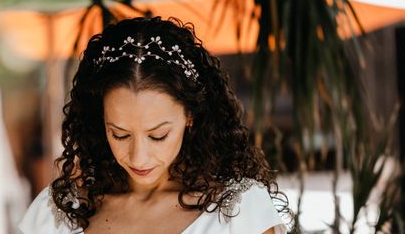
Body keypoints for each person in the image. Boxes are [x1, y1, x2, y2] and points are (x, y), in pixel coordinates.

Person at [18, 17, 289, 233]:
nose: (138, 156)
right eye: (119, 134)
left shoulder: (239, 212)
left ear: (190, 116)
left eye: (158, 135)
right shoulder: (59, 212)